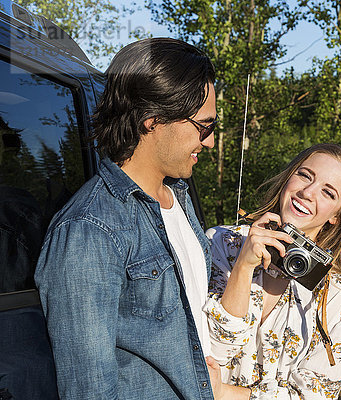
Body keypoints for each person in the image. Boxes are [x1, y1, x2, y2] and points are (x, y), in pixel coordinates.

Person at [35, 38, 218, 399]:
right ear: (154, 120)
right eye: (204, 127)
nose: (209, 142)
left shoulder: (178, 198)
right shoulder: (89, 231)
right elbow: (90, 390)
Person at [204, 143, 341, 399]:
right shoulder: (223, 242)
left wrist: (223, 393)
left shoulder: (338, 295)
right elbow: (212, 353)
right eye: (305, 175)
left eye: (328, 193)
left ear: (337, 216)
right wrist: (243, 267)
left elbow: (313, 396)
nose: (307, 192)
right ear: (288, 178)